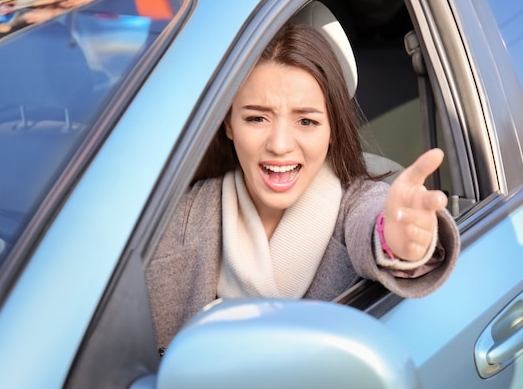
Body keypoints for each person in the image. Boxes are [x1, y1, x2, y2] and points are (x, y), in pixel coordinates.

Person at [146, 20, 460, 352]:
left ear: (332, 130)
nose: (280, 145)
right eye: (257, 118)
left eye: (306, 121)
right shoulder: (177, 216)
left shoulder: (354, 205)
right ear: (228, 124)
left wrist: (399, 242)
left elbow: (373, 222)